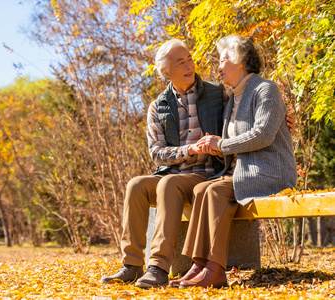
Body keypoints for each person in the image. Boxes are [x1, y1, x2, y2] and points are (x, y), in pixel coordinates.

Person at [169, 35, 297, 289]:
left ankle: (215, 269)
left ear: (239, 60)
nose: (218, 66)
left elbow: (263, 135)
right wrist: (214, 144)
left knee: (215, 189)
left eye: (223, 59)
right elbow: (233, 142)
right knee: (201, 188)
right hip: (244, 173)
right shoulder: (233, 99)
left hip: (270, 172)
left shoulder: (265, 90)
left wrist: (222, 145)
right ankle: (199, 263)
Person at [101, 39, 225, 288]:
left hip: (207, 174)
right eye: (180, 62)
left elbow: (247, 113)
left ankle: (158, 267)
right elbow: (157, 153)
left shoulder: (217, 94)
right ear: (166, 72)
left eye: (189, 58)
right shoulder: (158, 106)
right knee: (136, 185)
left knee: (169, 183)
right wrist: (188, 149)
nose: (189, 64)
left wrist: (279, 119)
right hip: (171, 172)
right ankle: (132, 265)